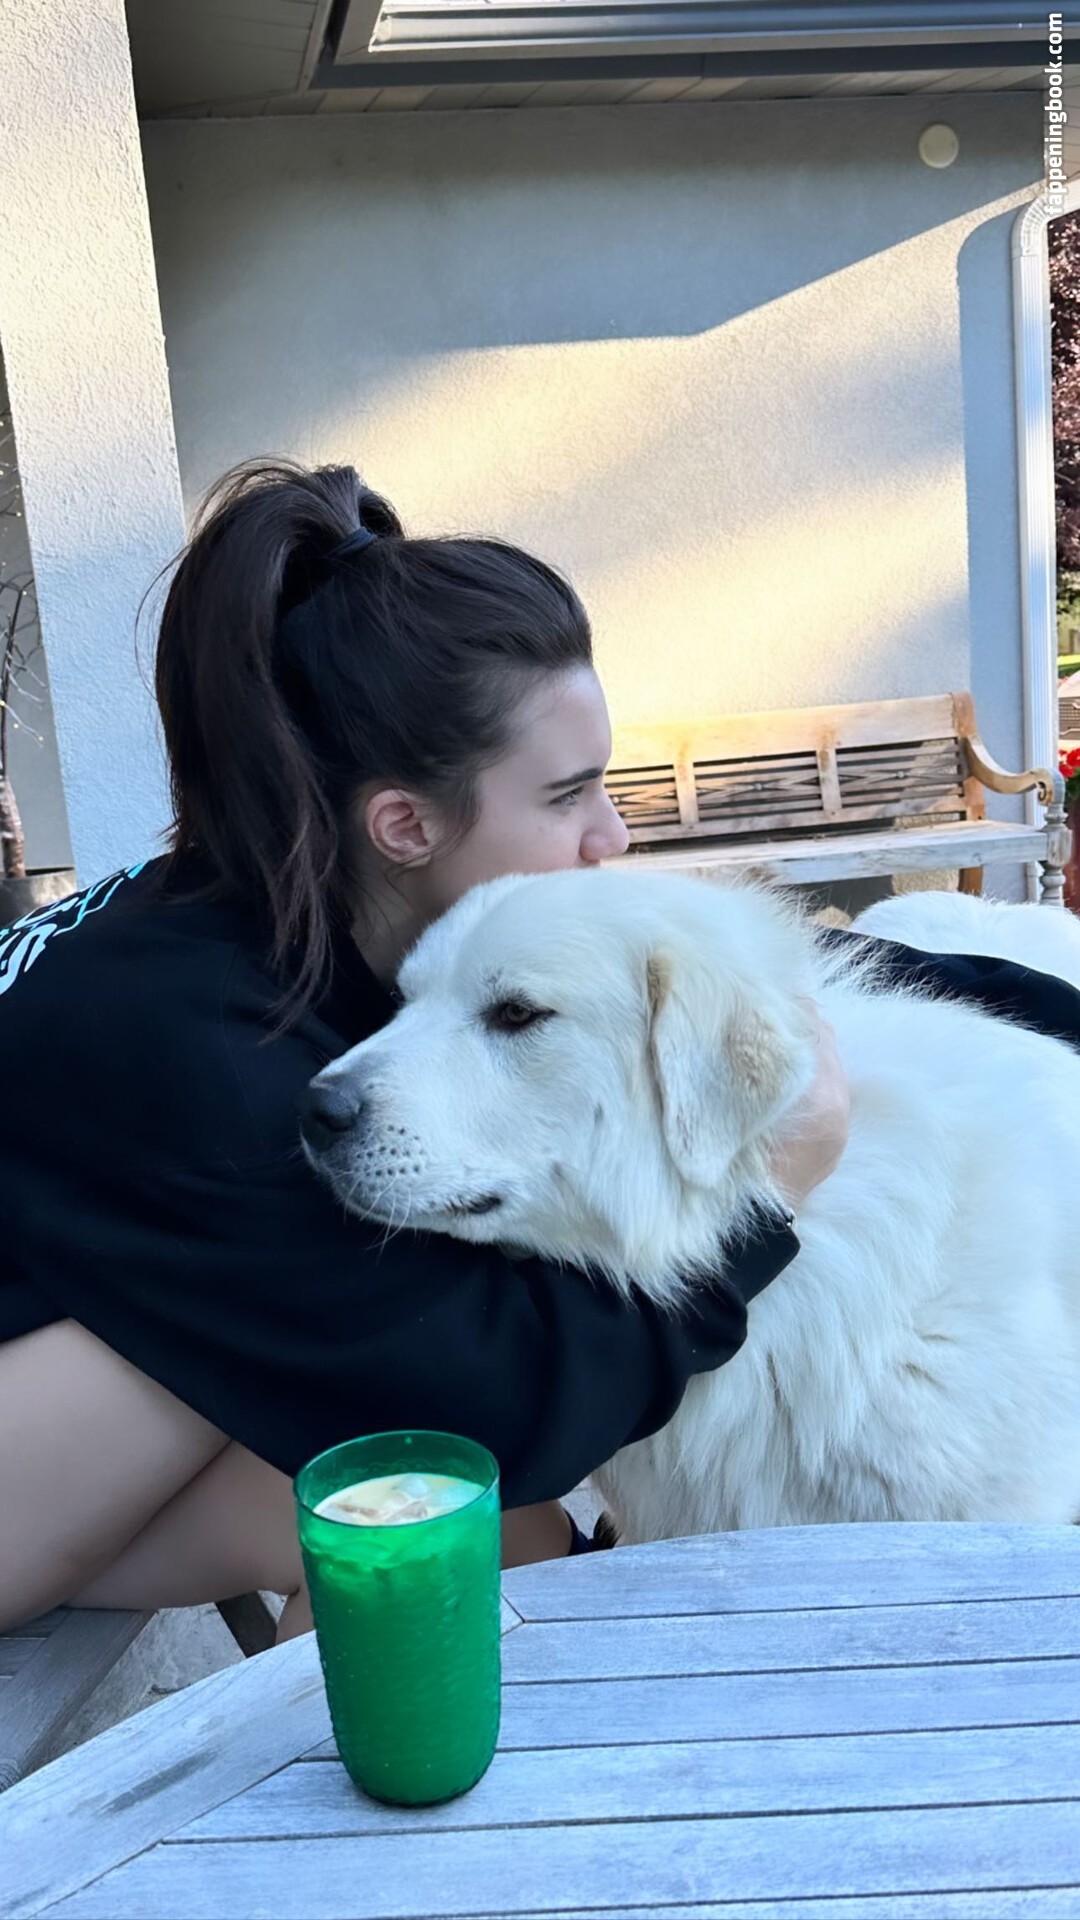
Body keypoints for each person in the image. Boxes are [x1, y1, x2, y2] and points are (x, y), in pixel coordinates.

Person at [0, 462, 850, 1641]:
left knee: (483, 1518)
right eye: (568, 795)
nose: (610, 835)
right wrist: (764, 1207)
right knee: (428, 1446)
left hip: (59, 1394)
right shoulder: (204, 1047)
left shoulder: (271, 916)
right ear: (404, 824)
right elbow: (500, 1396)